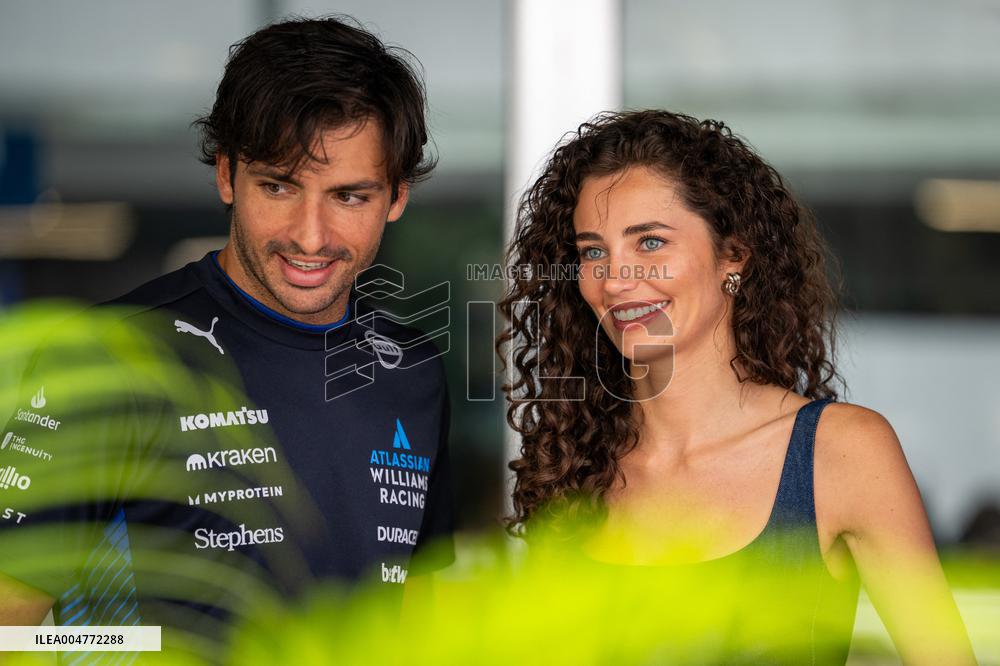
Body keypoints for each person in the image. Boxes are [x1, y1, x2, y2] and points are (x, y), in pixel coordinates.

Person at [0, 15, 454, 658]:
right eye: (278, 186)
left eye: (349, 196)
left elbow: (416, 620)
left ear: (397, 197)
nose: (311, 235)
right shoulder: (112, 357)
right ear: (226, 176)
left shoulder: (413, 372)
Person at [497, 110, 976, 663]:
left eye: (650, 243)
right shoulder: (570, 463)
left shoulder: (840, 453)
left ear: (734, 257)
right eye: (594, 251)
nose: (615, 280)